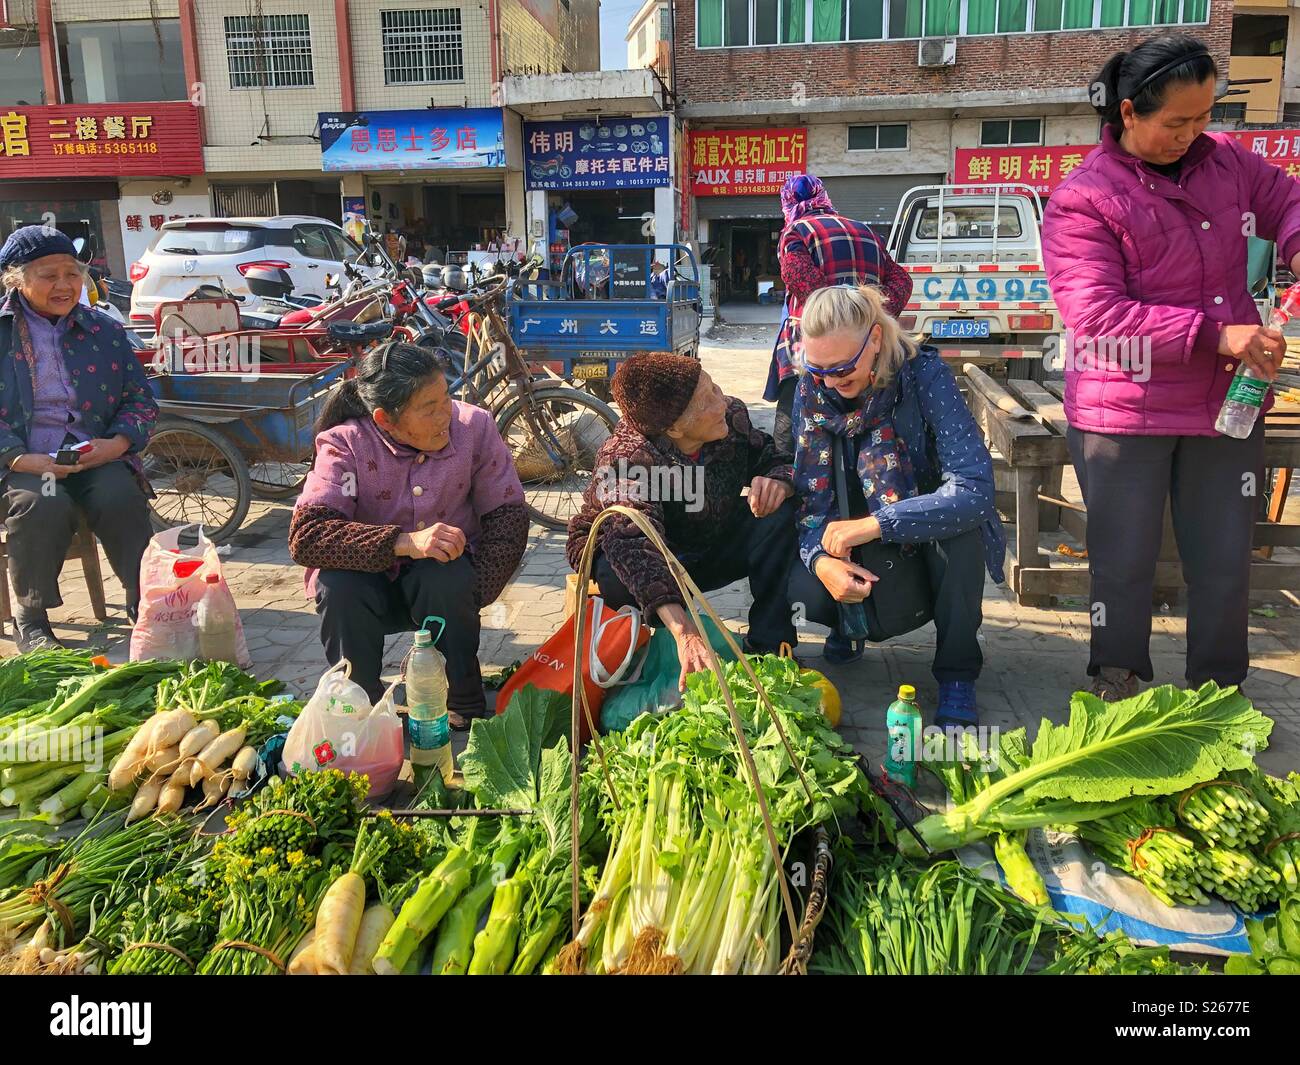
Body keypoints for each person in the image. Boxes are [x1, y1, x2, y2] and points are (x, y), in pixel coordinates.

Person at [1042, 34, 1300, 702]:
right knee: (1123, 561)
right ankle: (1117, 674)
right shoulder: (1084, 199)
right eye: (1177, 122)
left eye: (1205, 117)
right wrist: (1219, 336)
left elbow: (1289, 203)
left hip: (1226, 405)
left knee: (1223, 560)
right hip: (1123, 408)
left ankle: (1219, 687)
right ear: (1128, 114)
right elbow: (1095, 315)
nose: (1194, 133)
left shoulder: (1231, 166)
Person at [787, 285, 1005, 727]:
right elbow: (809, 503)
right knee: (781, 529)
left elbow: (975, 488)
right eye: (818, 369)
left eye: (843, 369)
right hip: (850, 550)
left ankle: (957, 671)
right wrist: (821, 562)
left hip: (914, 548)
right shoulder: (810, 391)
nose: (830, 382)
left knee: (965, 531)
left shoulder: (924, 377)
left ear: (877, 340)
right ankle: (844, 625)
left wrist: (879, 523)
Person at [288, 342, 528, 724]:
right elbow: (308, 535)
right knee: (339, 586)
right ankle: (357, 708)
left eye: (445, 398)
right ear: (385, 419)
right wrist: (404, 542)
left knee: (447, 574)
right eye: (428, 409)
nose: (444, 416)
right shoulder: (345, 443)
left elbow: (509, 518)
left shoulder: (474, 428)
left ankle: (461, 698)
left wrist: (472, 592)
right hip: (368, 589)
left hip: (443, 590)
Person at [567, 352, 799, 690]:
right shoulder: (625, 458)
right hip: (649, 556)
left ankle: (770, 647)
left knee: (779, 514)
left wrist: (778, 479)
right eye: (707, 401)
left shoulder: (731, 417)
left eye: (714, 388)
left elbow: (772, 456)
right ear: (674, 427)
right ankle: (658, 657)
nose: (722, 402)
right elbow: (634, 543)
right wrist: (684, 631)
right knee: (613, 569)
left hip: (707, 538)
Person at [0, 225, 158, 652]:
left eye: (71, 274)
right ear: (17, 279)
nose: (64, 285)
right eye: (49, 275)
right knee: (42, 502)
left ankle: (142, 599)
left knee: (119, 496)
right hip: (29, 463)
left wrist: (118, 444)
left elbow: (140, 398)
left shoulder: (104, 330)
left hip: (95, 457)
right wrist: (17, 458)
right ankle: (31, 619)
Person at [767, 173, 913, 454]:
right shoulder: (867, 231)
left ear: (787, 203)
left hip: (812, 345)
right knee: (866, 418)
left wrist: (835, 321)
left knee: (795, 421)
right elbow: (902, 282)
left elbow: (801, 281)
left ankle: (788, 477)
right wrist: (870, 316)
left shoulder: (796, 232)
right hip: (868, 346)